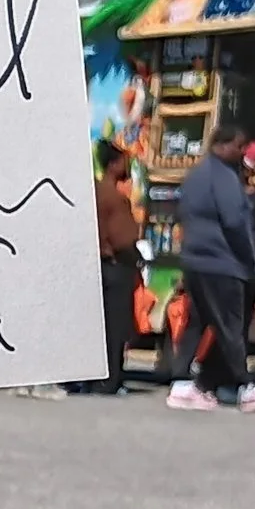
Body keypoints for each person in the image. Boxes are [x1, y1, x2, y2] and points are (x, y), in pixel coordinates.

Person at [168, 124, 255, 411]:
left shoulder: (196, 175)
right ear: (221, 145)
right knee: (231, 325)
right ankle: (245, 387)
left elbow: (184, 213)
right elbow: (235, 222)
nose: (241, 152)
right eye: (237, 146)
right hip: (222, 263)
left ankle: (181, 385)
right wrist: (248, 258)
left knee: (196, 323)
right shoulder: (224, 177)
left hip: (195, 260)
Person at [93, 141, 142, 391]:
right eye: (123, 161)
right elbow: (124, 237)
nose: (127, 165)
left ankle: (93, 378)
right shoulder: (114, 197)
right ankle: (109, 380)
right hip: (115, 265)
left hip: (98, 264)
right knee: (115, 326)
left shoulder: (94, 191)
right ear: (113, 165)